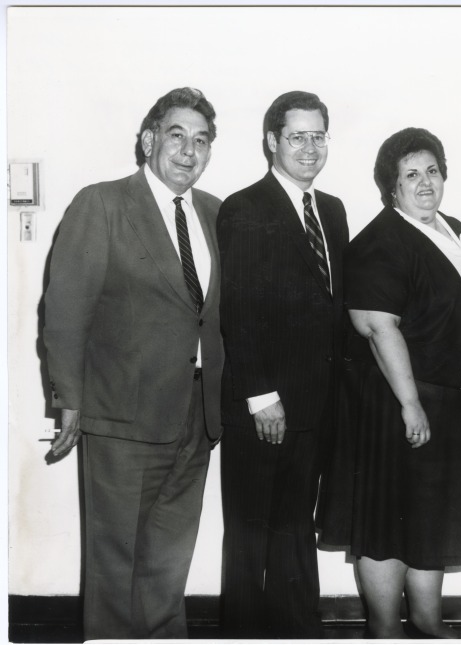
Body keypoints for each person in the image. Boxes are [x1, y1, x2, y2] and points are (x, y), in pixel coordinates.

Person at [43, 87, 222, 639]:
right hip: (121, 416)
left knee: (170, 562)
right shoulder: (101, 203)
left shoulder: (216, 213)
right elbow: (65, 311)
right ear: (148, 140)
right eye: (177, 135)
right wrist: (69, 401)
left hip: (195, 415)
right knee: (115, 566)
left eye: (202, 140)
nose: (189, 151)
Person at [318, 127, 461, 639]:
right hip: (401, 399)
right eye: (410, 174)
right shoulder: (382, 240)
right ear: (391, 185)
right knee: (388, 521)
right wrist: (410, 404)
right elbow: (379, 328)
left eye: (431, 170)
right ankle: (384, 630)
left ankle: (427, 623)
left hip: (456, 398)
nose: (424, 182)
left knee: (431, 519)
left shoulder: (452, 227)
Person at [217, 90, 349, 638]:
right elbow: (239, 310)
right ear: (272, 141)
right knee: (251, 537)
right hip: (263, 406)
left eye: (319, 135)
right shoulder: (244, 208)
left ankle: (297, 630)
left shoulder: (333, 209)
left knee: (297, 530)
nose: (310, 147)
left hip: (316, 404)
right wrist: (260, 395)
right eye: (298, 136)